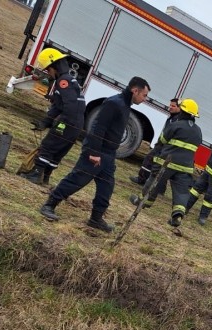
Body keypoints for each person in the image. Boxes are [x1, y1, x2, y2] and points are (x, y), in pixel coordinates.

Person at [38, 77, 150, 232]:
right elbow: (98, 127)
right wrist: (94, 152)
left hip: (109, 155)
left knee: (106, 188)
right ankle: (49, 205)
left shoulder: (124, 105)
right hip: (97, 152)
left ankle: (96, 219)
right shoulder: (114, 103)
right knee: (76, 179)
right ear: (135, 90)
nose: (145, 99)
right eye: (144, 95)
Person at [128, 98, 202, 228]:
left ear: (183, 112)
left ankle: (142, 202)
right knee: (182, 191)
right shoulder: (198, 131)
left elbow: (162, 141)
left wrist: (155, 155)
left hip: (166, 164)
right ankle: (177, 215)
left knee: (153, 181)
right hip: (185, 167)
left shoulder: (175, 125)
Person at [22, 48, 86, 185]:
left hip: (69, 122)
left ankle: (37, 174)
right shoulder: (70, 80)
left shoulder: (64, 82)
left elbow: (68, 106)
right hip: (77, 124)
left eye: (48, 70)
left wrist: (61, 123)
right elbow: (58, 105)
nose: (48, 73)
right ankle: (45, 177)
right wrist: (45, 123)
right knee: (58, 150)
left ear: (55, 67)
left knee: (48, 145)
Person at [130, 98, 180, 186]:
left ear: (179, 108)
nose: (170, 107)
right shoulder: (173, 118)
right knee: (154, 163)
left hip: (164, 147)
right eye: (170, 105)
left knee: (151, 160)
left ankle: (142, 180)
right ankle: (152, 184)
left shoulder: (176, 120)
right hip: (163, 146)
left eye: (173, 106)